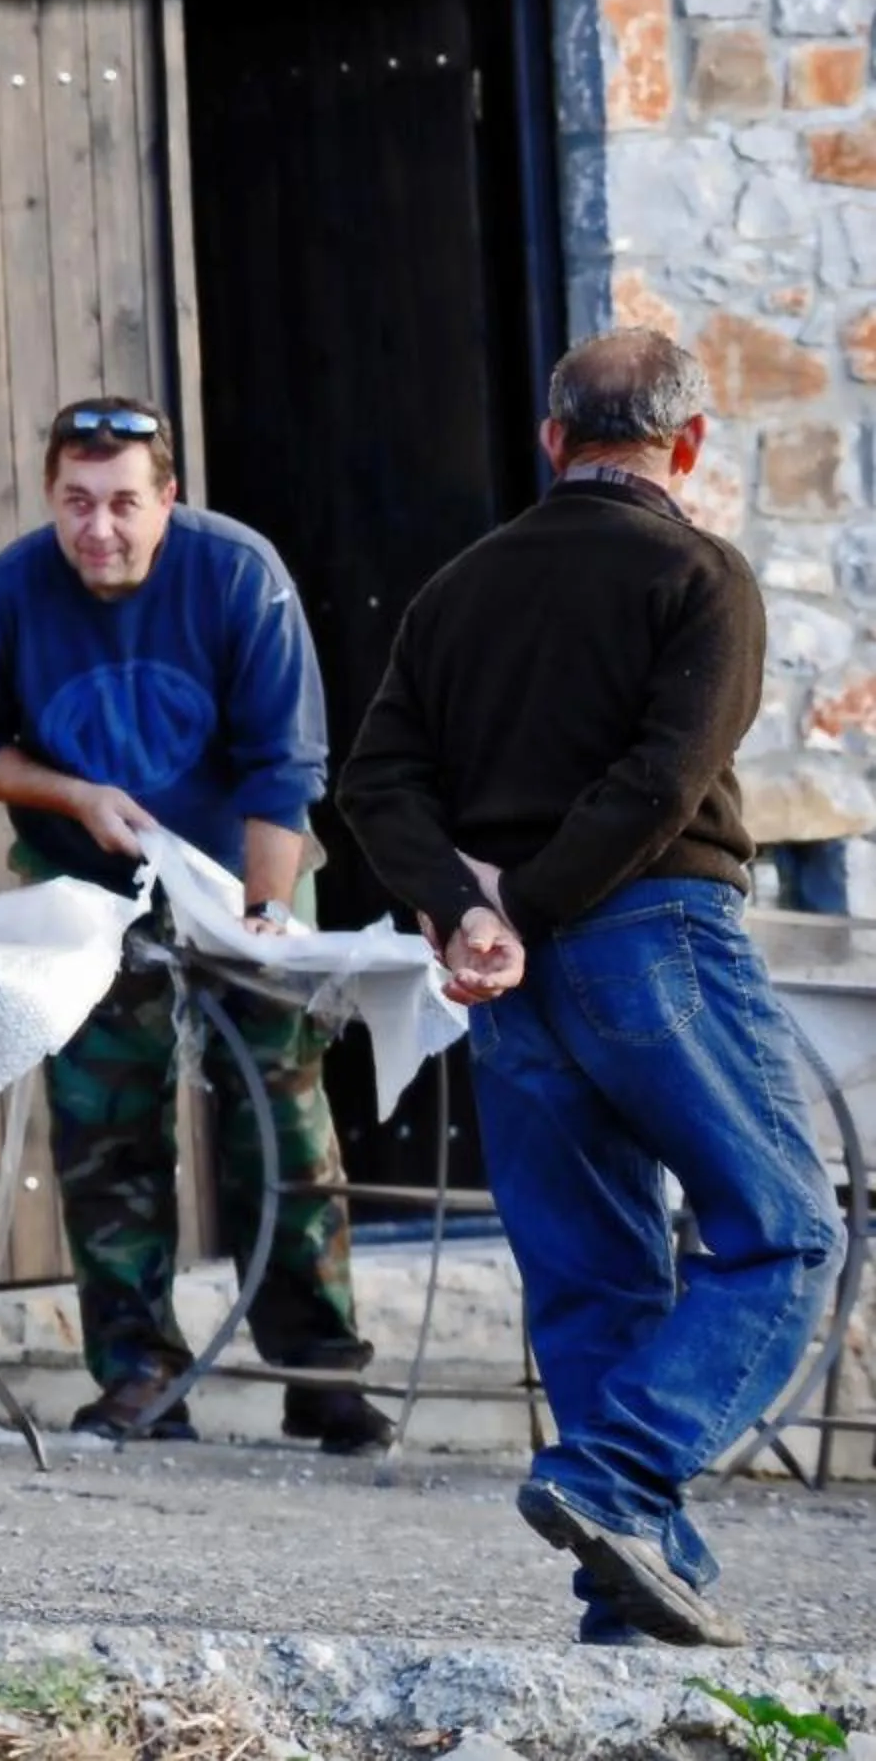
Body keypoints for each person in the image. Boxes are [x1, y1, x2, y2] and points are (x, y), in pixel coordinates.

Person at [339, 329, 839, 1649]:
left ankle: (631, 1602)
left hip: (516, 988)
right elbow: (665, 784)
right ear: (687, 448)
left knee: (591, 1279)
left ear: (554, 441)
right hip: (654, 937)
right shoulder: (703, 575)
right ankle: (613, 1481)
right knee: (787, 1231)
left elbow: (372, 784)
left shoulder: (458, 588)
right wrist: (530, 908)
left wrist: (471, 913)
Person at [0, 397, 392, 1454]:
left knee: (280, 1123)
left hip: (243, 872)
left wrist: (266, 918)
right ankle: (138, 1373)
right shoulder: (7, 595)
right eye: (78, 504)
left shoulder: (237, 575)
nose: (100, 529)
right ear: (51, 497)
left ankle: (322, 1377)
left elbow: (286, 772)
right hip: (88, 894)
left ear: (167, 498)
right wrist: (74, 796)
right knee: (105, 1133)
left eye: (126, 503)